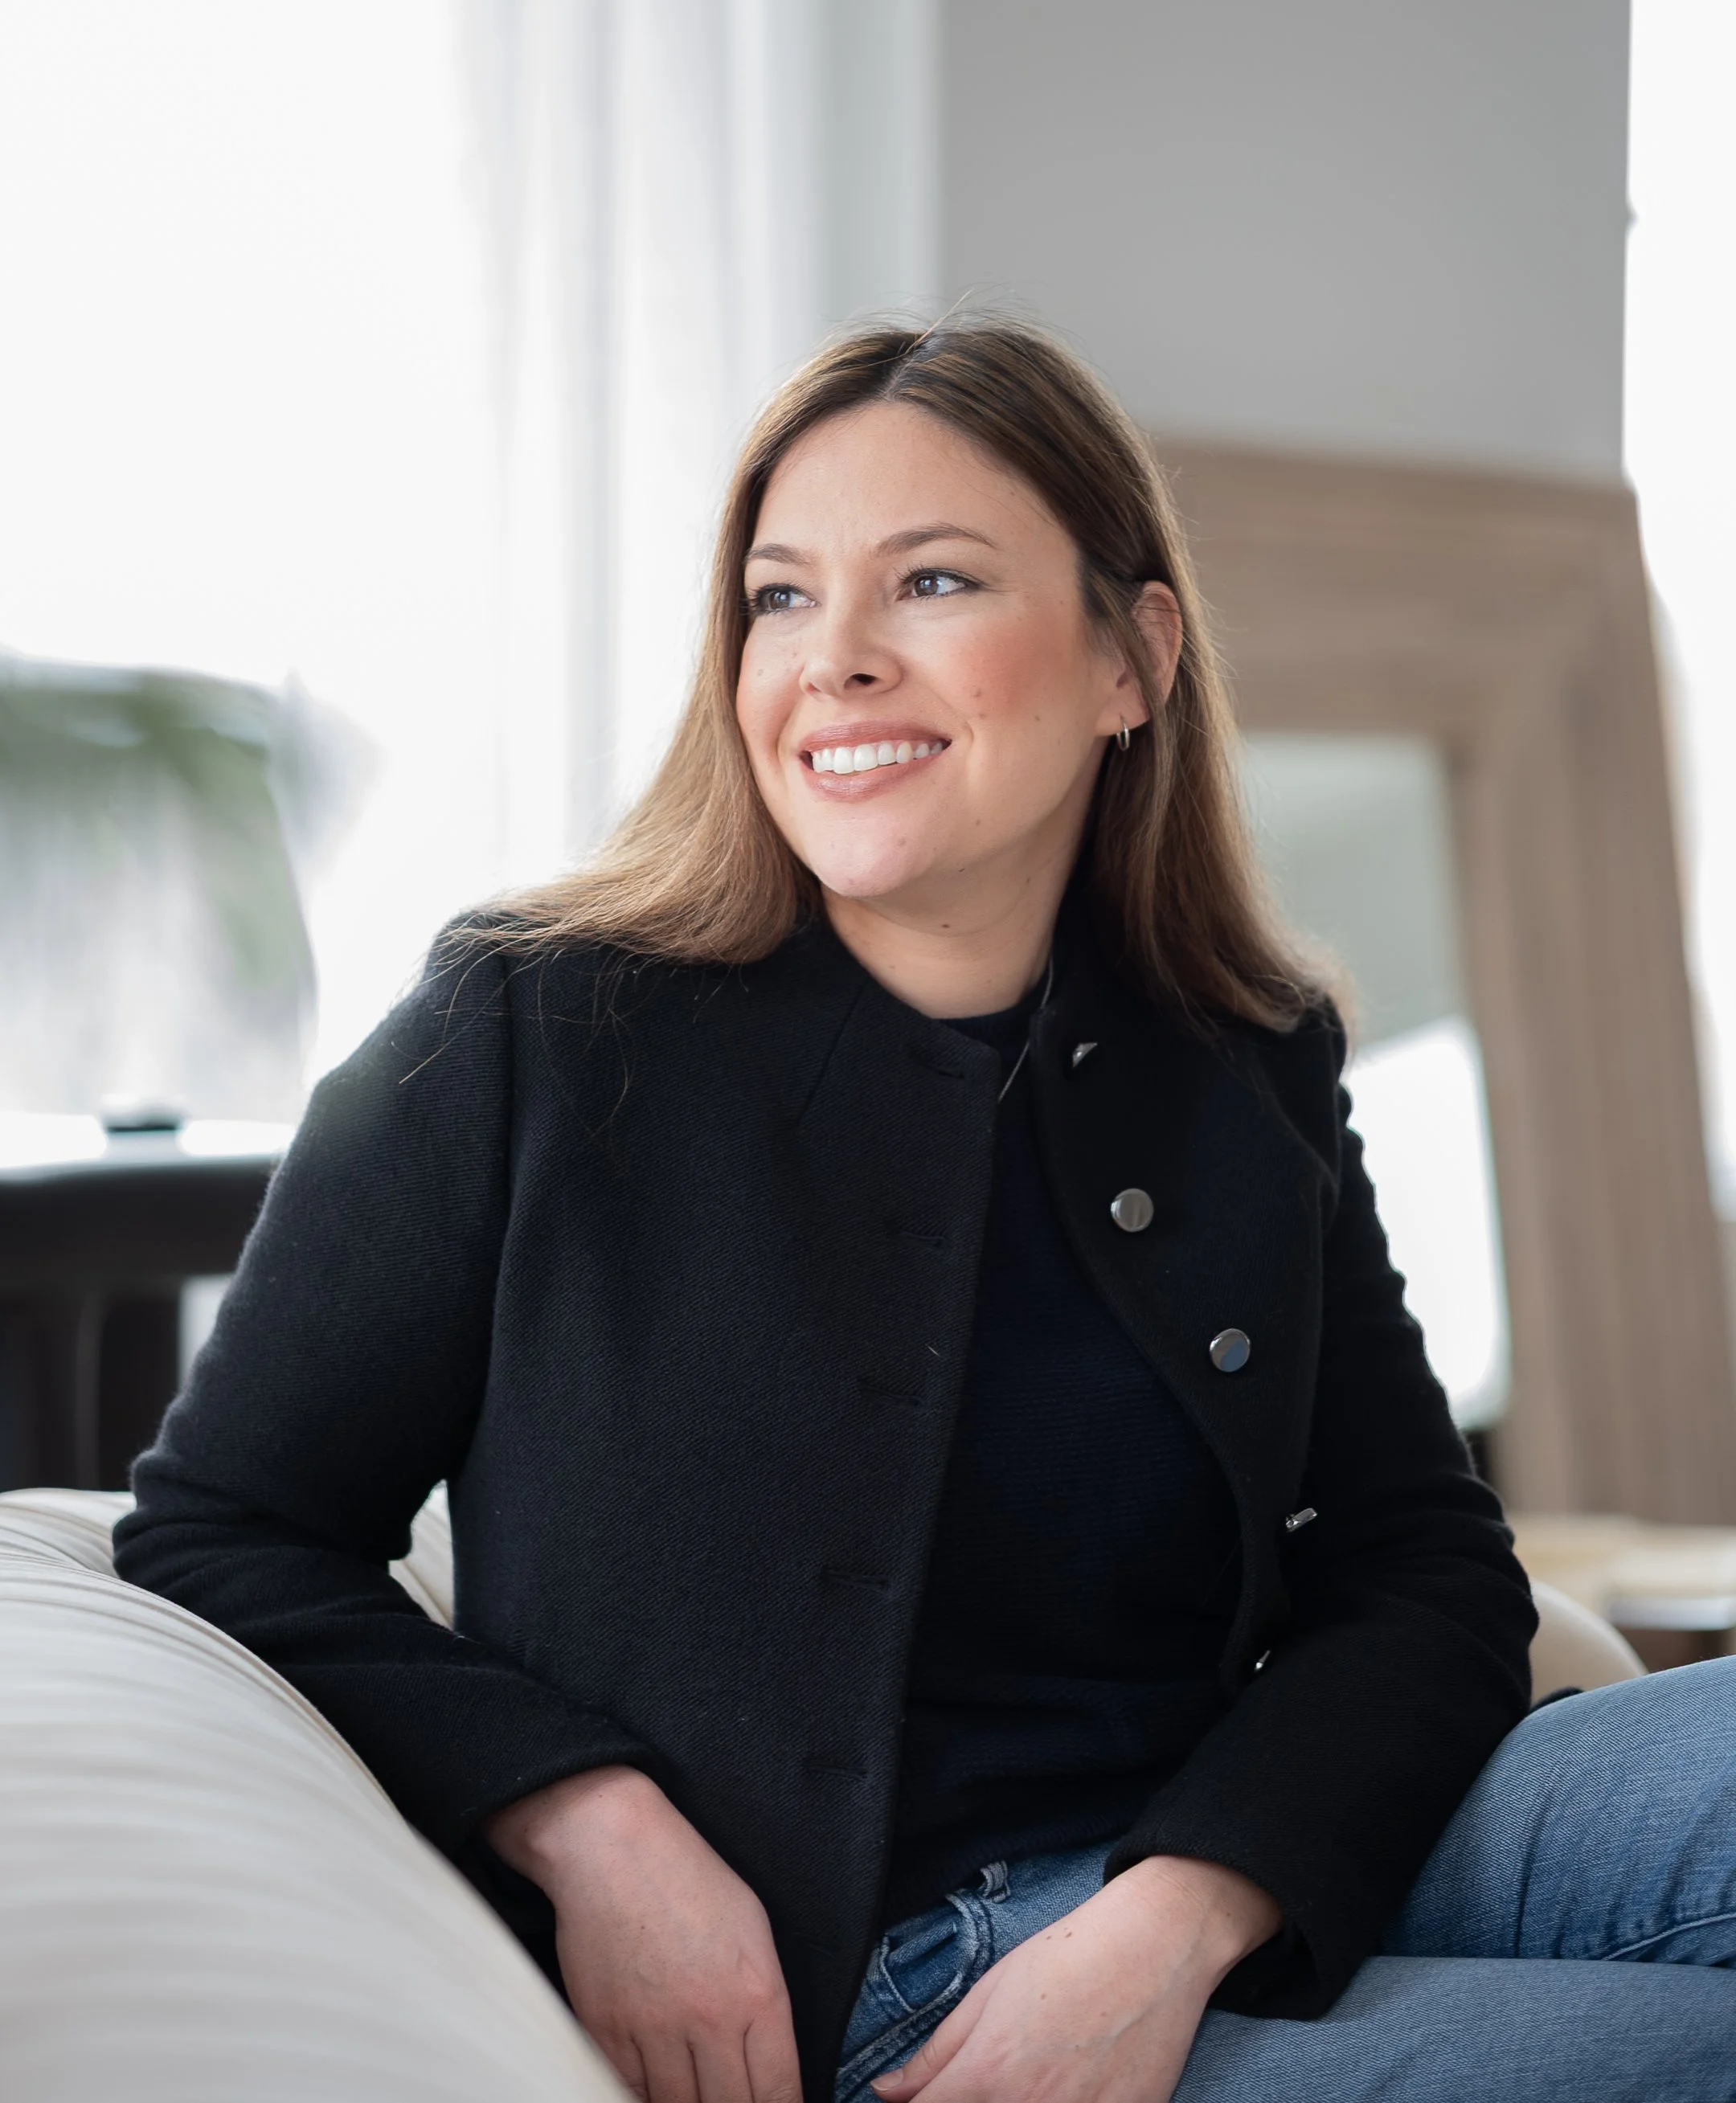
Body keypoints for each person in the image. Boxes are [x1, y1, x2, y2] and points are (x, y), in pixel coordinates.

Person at [115, 320, 1736, 2103]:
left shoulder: (1242, 1060)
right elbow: (227, 1526)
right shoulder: (532, 1028)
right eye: (781, 598)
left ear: (1133, 660)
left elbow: (1424, 1568)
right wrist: (591, 1824)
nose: (837, 661)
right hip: (895, 1988)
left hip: (1223, 1869)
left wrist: (1177, 1919)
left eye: (933, 581)